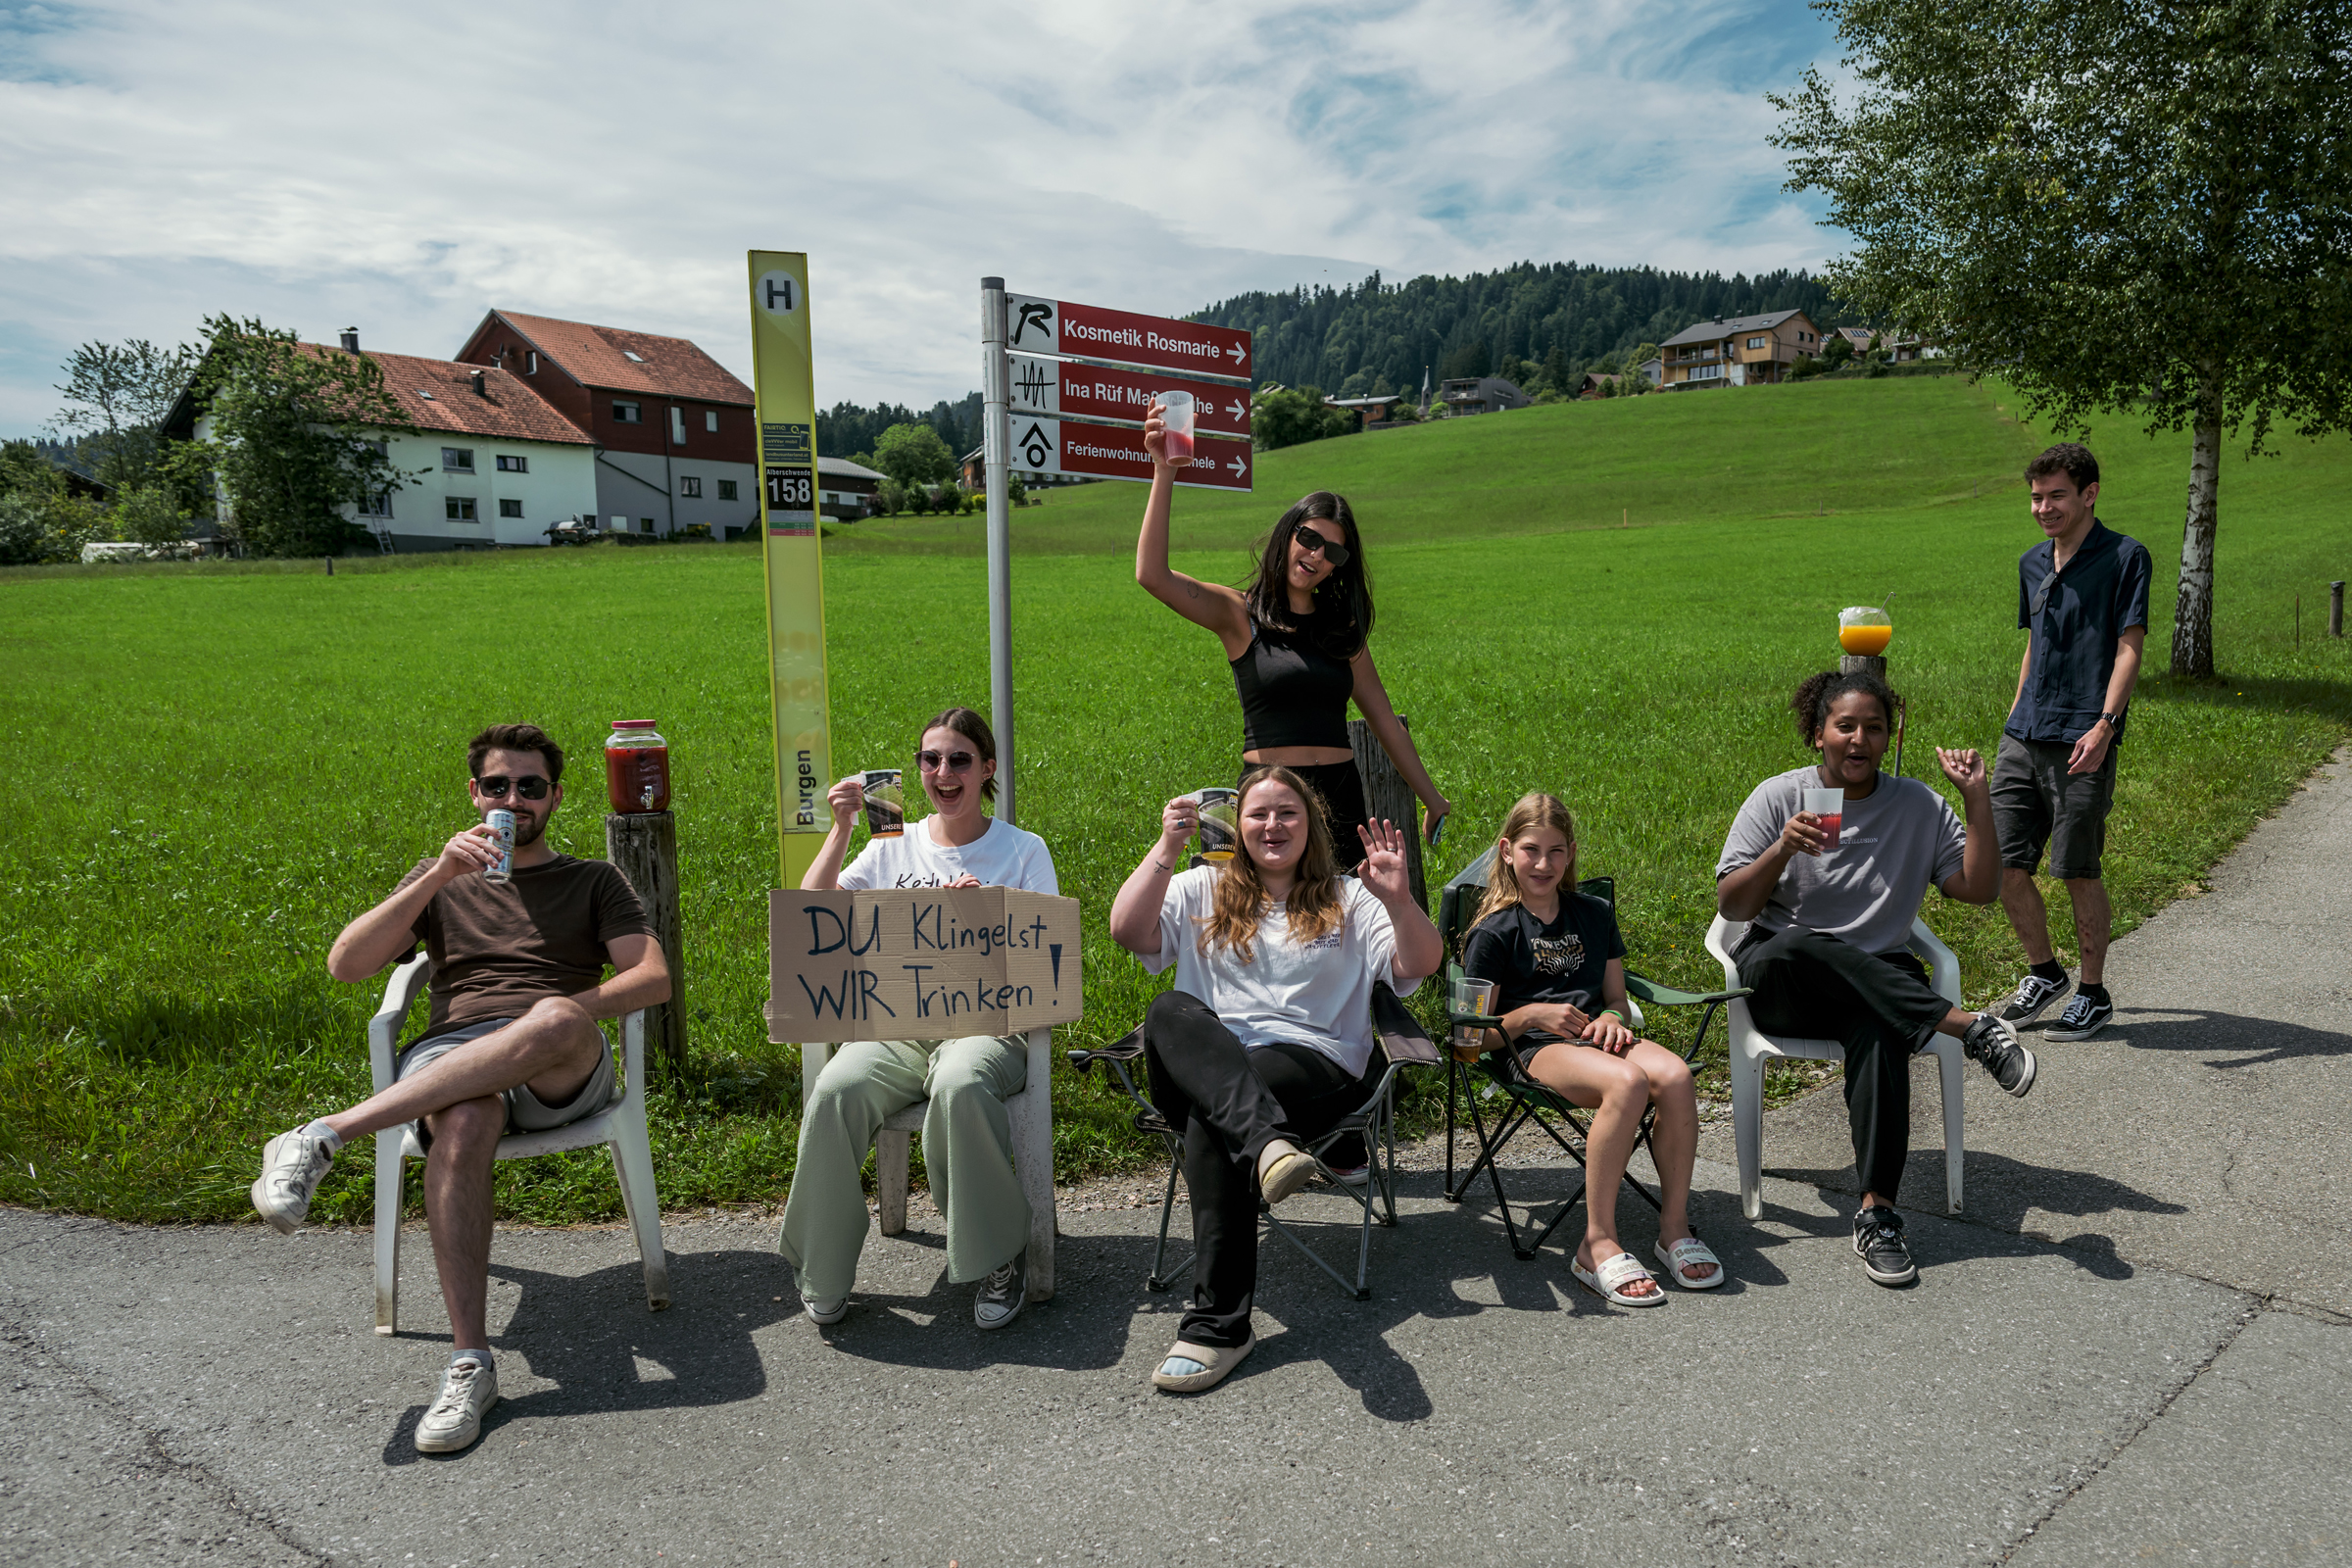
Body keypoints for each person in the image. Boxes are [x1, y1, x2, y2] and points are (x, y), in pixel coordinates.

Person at [249, 723, 669, 1454]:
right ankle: (470, 1363)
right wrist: (438, 874)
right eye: (498, 786)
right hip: (454, 1055)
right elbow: (347, 965)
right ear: (475, 794)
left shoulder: (593, 880)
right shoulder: (440, 875)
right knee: (466, 1117)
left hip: (559, 1063)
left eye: (530, 787)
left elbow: (653, 977)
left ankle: (326, 1134)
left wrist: (556, 1017)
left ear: (555, 797)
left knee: (551, 1019)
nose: (514, 800)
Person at [1108, 767, 1441, 1393]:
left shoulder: (1350, 897)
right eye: (1257, 813)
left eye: (1287, 812)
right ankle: (1266, 1147)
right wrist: (1168, 846)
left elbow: (1420, 963)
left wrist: (1399, 899)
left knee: (1214, 1117)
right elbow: (1127, 931)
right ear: (1236, 826)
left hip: (1312, 1065)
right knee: (1168, 1010)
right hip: (1214, 1070)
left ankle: (1218, 1328)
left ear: (1311, 824)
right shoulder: (1202, 885)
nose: (1272, 825)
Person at [1716, 671, 2038, 1288]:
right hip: (1784, 975)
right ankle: (1968, 1028)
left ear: (1889, 738)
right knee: (1800, 942)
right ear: (1818, 734)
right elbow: (1733, 905)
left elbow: (1977, 889)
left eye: (1874, 727)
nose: (1859, 739)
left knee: (1880, 1025)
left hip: (1879, 979)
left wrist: (1977, 799)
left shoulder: (1916, 805)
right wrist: (1782, 850)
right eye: (1845, 726)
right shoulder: (1779, 797)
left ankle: (1878, 1214)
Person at [778, 707, 1056, 1331]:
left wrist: (986, 921)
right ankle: (823, 1266)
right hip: (898, 1024)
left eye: (960, 759)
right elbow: (809, 916)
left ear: (987, 768)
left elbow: (1044, 959)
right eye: (931, 759)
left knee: (960, 1083)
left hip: (988, 1023)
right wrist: (840, 828)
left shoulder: (1022, 850)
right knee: (835, 1088)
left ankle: (997, 1256)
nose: (943, 772)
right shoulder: (890, 843)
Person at [1133, 400, 1452, 871]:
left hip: (1341, 799)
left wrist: (1433, 799)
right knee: (1266, 915)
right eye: (1310, 538)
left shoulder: (1343, 630)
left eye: (1334, 553)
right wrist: (1164, 471)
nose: (1317, 555)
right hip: (1270, 803)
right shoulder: (1239, 614)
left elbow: (1385, 721)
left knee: (1343, 915)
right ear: (1287, 534)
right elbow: (1152, 575)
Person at [1460, 793, 1720, 1303]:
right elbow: (1467, 1041)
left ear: (1571, 853)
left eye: (1556, 851)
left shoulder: (1594, 913)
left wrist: (1611, 1018)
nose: (1543, 864)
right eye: (1531, 850)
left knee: (1674, 1076)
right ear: (1507, 851)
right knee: (1628, 1082)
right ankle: (1596, 1243)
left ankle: (1674, 1228)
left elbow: (1617, 998)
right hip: (1531, 1049)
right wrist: (1531, 1015)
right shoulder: (1492, 932)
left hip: (1595, 1039)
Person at [1990, 443, 2151, 1042]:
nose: (2044, 508)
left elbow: (2129, 646)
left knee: (2076, 868)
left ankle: (2093, 991)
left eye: (2057, 495)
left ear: (2090, 493)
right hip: (2024, 733)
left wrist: (2106, 724)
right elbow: (2034, 644)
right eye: (2036, 497)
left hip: (2084, 734)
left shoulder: (2125, 557)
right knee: (2002, 864)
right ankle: (2044, 973)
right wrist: (2014, 717)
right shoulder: (2032, 562)